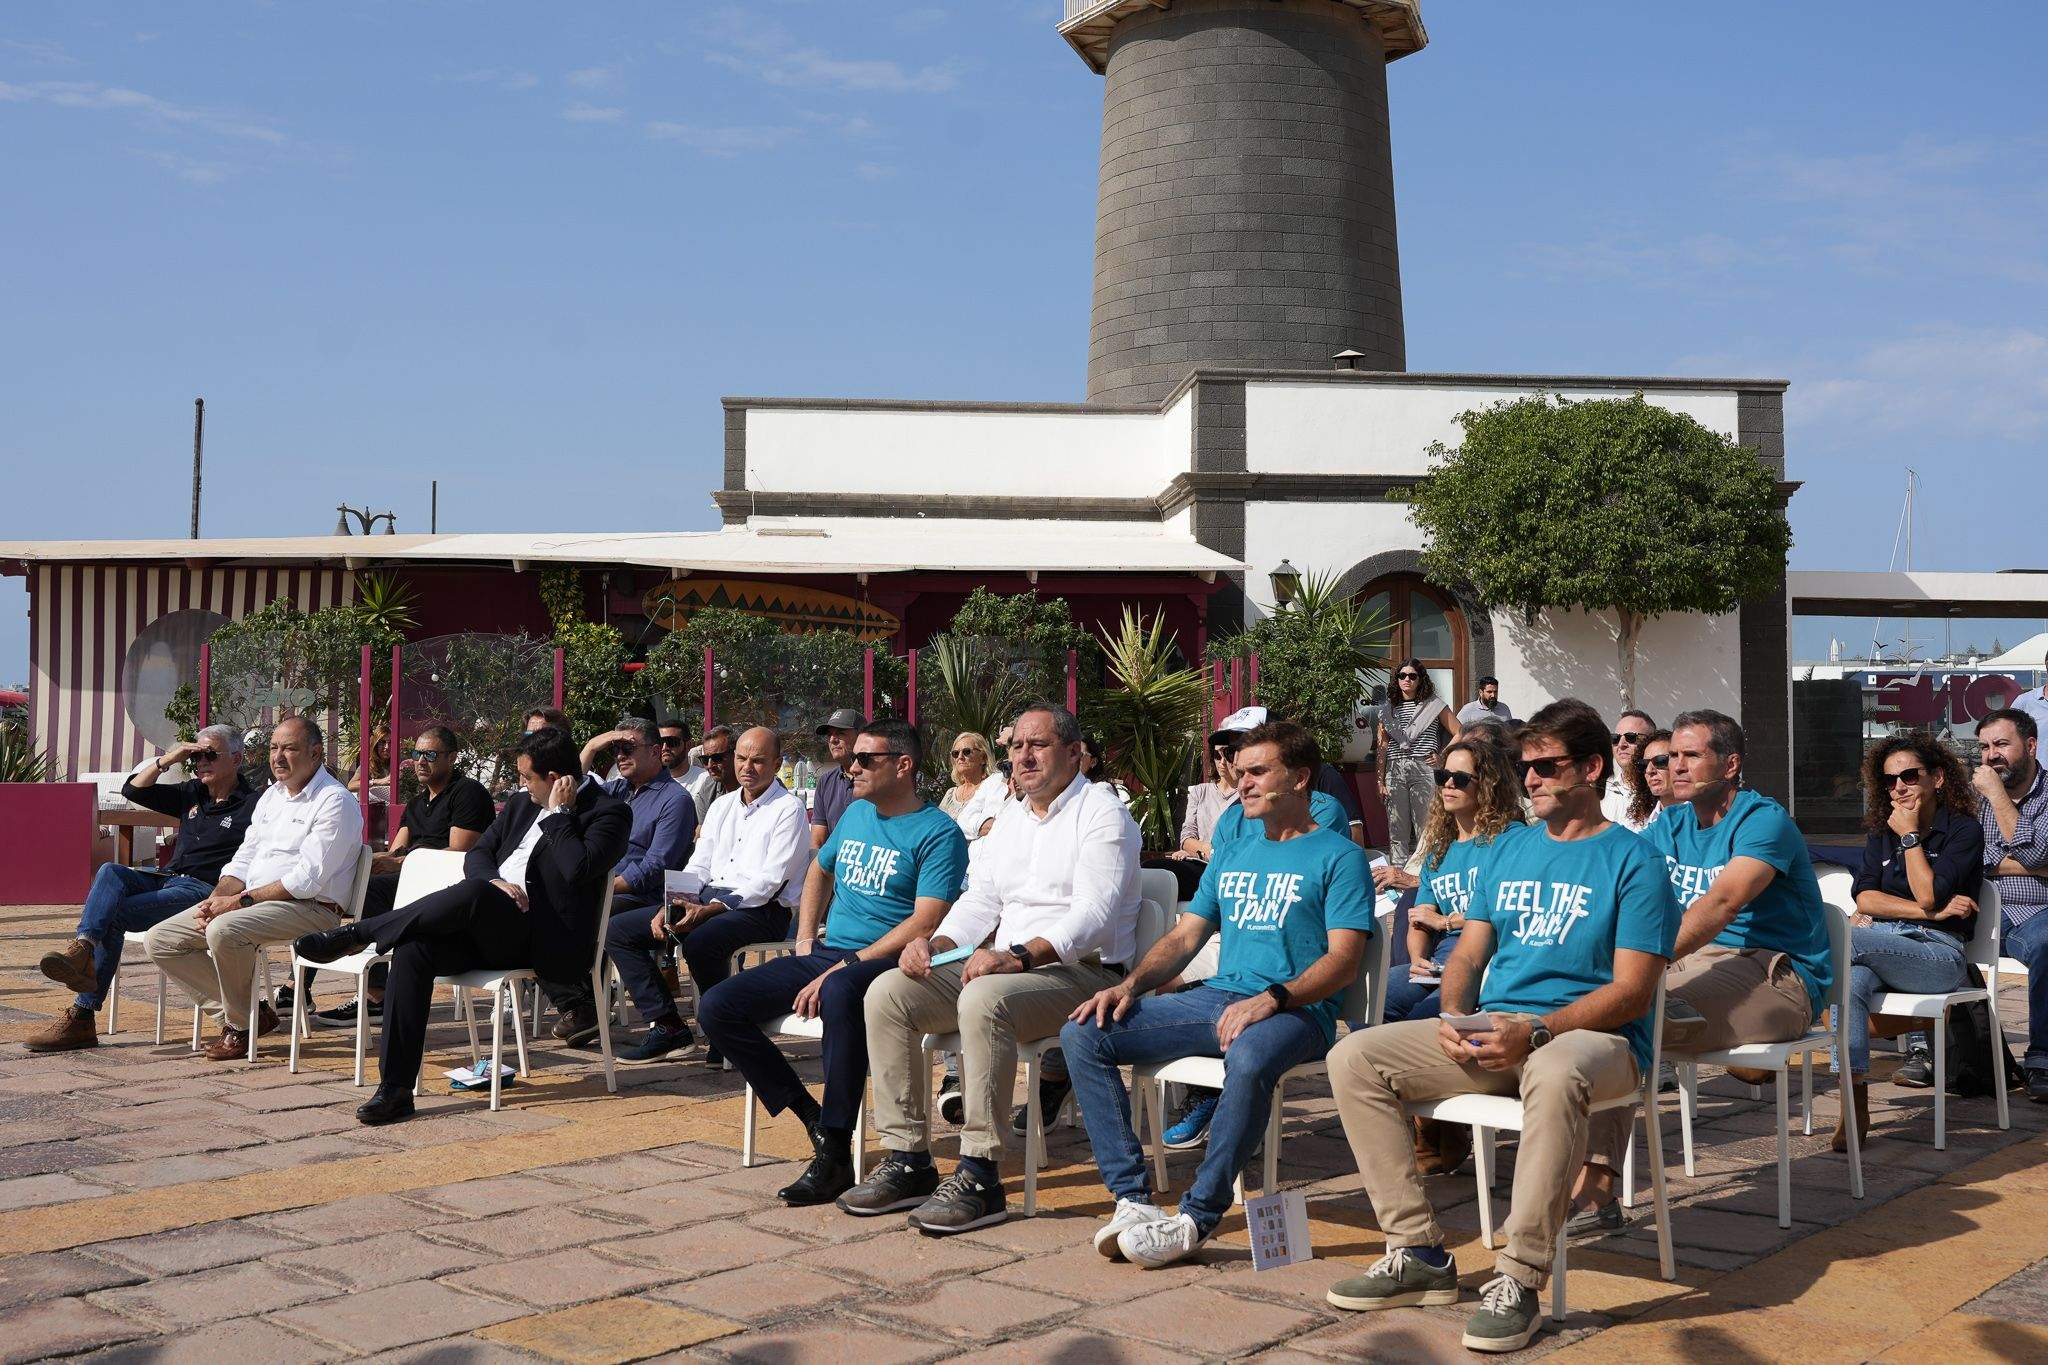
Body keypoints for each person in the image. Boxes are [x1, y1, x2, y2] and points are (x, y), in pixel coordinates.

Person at [1324, 699, 1679, 1354]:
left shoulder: (1635, 860)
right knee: (1356, 1057)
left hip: (1595, 1039)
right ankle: (1417, 1250)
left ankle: (1519, 1276)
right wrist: (1456, 1015)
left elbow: (1632, 992)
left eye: (1546, 765)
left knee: (1553, 1065)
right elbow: (1468, 952)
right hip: (1503, 1027)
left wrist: (1538, 1030)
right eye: (1525, 766)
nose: (1531, 779)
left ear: (1594, 767)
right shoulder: (1512, 851)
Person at [1060, 721, 1375, 1267]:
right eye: (1240, 771)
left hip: (1296, 1011)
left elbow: (1344, 962)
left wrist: (1274, 998)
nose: (1242, 782)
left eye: (1258, 772)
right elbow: (1186, 935)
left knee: (1250, 1053)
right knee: (1084, 1031)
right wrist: (1130, 986)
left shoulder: (1338, 856)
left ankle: (1196, 1217)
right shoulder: (1234, 851)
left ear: (1300, 778)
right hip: (1219, 1000)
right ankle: (1132, 1199)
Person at [840, 702, 1142, 1235]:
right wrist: (935, 943)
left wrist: (1019, 955)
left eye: (1038, 745)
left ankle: (981, 1173)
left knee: (984, 999)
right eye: (1016, 746)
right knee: (888, 992)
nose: (1023, 756)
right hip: (1008, 966)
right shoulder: (1011, 817)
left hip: (1083, 972)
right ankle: (908, 1156)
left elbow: (1094, 917)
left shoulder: (1101, 812)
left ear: (1074, 754)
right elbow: (981, 899)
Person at [1569, 709, 1833, 1233]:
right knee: (1582, 1004)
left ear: (1731, 764)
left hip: (1775, 972)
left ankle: (1596, 1188)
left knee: (1624, 1015)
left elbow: (1721, 904)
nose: (1676, 766)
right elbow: (1618, 889)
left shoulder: (1763, 821)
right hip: (1696, 963)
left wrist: (1646, 963)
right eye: (1671, 757)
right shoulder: (1672, 821)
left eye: (1692, 756)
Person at [294, 726, 629, 1124]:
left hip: (546, 940)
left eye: (526, 777)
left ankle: (360, 933)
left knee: (476, 895)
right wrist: (496, 881)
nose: (521, 785)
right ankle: (396, 1089)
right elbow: (479, 854)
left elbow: (577, 869)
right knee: (414, 950)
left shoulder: (608, 813)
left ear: (555, 781)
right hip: (491, 927)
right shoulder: (522, 806)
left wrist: (560, 814)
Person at [699, 720, 968, 1205]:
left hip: (888, 962)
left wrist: (846, 966)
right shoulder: (858, 814)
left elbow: (927, 921)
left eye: (866, 759)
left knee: (842, 993)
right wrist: (805, 937)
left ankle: (837, 1151)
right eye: (852, 759)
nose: (853, 767)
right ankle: (813, 1119)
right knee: (717, 1007)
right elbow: (818, 868)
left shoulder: (938, 832)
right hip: (827, 951)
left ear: (903, 766)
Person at [144, 716, 364, 1061]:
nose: (278, 756)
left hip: (312, 909)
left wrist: (238, 902)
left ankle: (240, 1028)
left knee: (225, 930)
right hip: (253, 904)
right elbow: (242, 861)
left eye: (289, 748)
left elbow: (306, 880)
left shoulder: (335, 801)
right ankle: (250, 1014)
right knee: (161, 939)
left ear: (316, 753)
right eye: (274, 748)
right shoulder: (270, 797)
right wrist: (216, 899)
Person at [29, 725, 258, 1053]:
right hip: (169, 878)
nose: (201, 763)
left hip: (203, 892)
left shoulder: (252, 805)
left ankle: (82, 1015)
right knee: (110, 871)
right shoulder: (192, 792)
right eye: (196, 756)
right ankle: (83, 947)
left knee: (113, 915)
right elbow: (133, 790)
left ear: (236, 759)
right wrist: (169, 759)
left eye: (210, 755)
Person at [616, 725, 812, 1063]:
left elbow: (770, 880)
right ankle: (667, 1025)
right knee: (619, 930)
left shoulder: (788, 809)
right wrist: (672, 903)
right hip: (709, 899)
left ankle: (724, 1026)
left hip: (762, 909)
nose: (747, 767)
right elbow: (699, 865)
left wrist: (713, 908)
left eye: (758, 761)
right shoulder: (722, 806)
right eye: (741, 758)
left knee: (701, 940)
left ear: (778, 764)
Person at [1842, 735, 1984, 1145]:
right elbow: (1867, 897)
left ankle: (1783, 1019)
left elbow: (1924, 891)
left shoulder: (1962, 831)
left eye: (1909, 775)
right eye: (1890, 781)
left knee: (1840, 943)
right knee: (1848, 982)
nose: (1899, 787)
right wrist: (1934, 911)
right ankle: (1855, 1097)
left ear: (1937, 778)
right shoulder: (1879, 833)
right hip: (1887, 943)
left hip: (1939, 956)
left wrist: (1909, 838)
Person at [312, 726, 494, 1031]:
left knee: (372, 891)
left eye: (431, 755)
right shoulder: (416, 803)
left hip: (448, 886)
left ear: (451, 758)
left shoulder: (467, 793)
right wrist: (361, 861)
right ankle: (299, 986)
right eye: (417, 754)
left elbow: (458, 853)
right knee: (344, 885)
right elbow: (396, 852)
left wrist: (400, 863)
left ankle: (376, 997)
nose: (421, 761)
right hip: (412, 878)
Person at [541, 718, 698, 1046]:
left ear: (656, 752)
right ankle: (586, 1004)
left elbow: (656, 867)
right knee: (543, 907)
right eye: (615, 750)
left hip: (650, 897)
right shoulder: (616, 790)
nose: (620, 756)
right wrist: (591, 746)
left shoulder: (675, 800)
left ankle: (595, 1007)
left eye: (628, 748)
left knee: (588, 916)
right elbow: (571, 787)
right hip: (607, 890)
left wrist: (602, 889)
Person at [1974, 708, 2048, 1103]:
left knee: (2047, 945)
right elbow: (1963, 854)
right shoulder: (1970, 796)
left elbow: (2035, 850)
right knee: (1929, 933)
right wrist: (2032, 864)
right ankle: (1931, 1050)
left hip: (2040, 911)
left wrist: (1998, 796)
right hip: (1985, 907)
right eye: (1984, 747)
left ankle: (2042, 1061)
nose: (1990, 756)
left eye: (2001, 744)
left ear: (2031, 746)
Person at [1377, 660, 1461, 865]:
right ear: (1396, 680)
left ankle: (1424, 874)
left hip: (1424, 768)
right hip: (1394, 770)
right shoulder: (1387, 710)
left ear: (1420, 679)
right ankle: (1398, 875)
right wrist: (1379, 780)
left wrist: (1443, 756)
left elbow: (1461, 732)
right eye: (1402, 675)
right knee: (1397, 828)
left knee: (1426, 827)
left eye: (1412, 676)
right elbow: (1382, 747)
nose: (1407, 679)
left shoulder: (1434, 705)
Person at [1599, 710, 1658, 832]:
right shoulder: (1600, 791)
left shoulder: (1663, 792)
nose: (1621, 744)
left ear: (1650, 743)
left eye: (1631, 737)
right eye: (1615, 738)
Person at [811, 708, 862, 848]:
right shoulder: (826, 781)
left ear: (861, 736)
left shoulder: (876, 781)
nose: (833, 740)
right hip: (830, 866)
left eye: (840, 733)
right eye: (829, 735)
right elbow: (818, 841)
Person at [660, 719, 719, 824]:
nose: (664, 748)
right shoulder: (650, 782)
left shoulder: (705, 780)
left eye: (672, 742)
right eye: (660, 743)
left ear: (688, 745)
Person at [1623, 729, 1679, 829]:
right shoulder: (1635, 826)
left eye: (1660, 761)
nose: (1649, 770)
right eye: (1644, 764)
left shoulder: (1704, 817)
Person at [939, 732, 992, 818]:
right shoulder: (950, 794)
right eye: (955, 753)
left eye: (966, 751)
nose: (960, 757)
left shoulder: (991, 791)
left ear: (983, 758)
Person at [698, 724, 740, 800]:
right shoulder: (708, 787)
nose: (710, 765)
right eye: (705, 759)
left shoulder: (751, 787)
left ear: (735, 755)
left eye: (716, 758)